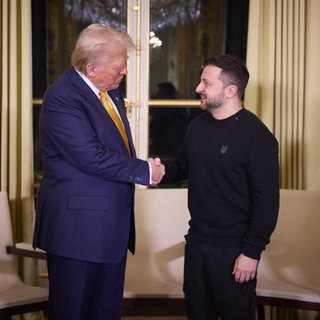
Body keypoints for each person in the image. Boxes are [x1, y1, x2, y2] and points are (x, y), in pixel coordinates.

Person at [32, 23, 165, 320]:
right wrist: (145, 170)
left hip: (110, 230)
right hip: (77, 231)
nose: (125, 72)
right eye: (120, 66)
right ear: (91, 68)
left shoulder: (111, 91)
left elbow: (112, 150)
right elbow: (90, 156)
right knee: (72, 312)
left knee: (105, 313)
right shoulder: (63, 96)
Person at [162, 54, 279, 319]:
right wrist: (153, 169)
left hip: (235, 250)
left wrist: (251, 252)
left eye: (206, 83)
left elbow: (267, 202)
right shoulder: (198, 125)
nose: (198, 88)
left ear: (231, 90)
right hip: (197, 243)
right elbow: (182, 166)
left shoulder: (258, 137)